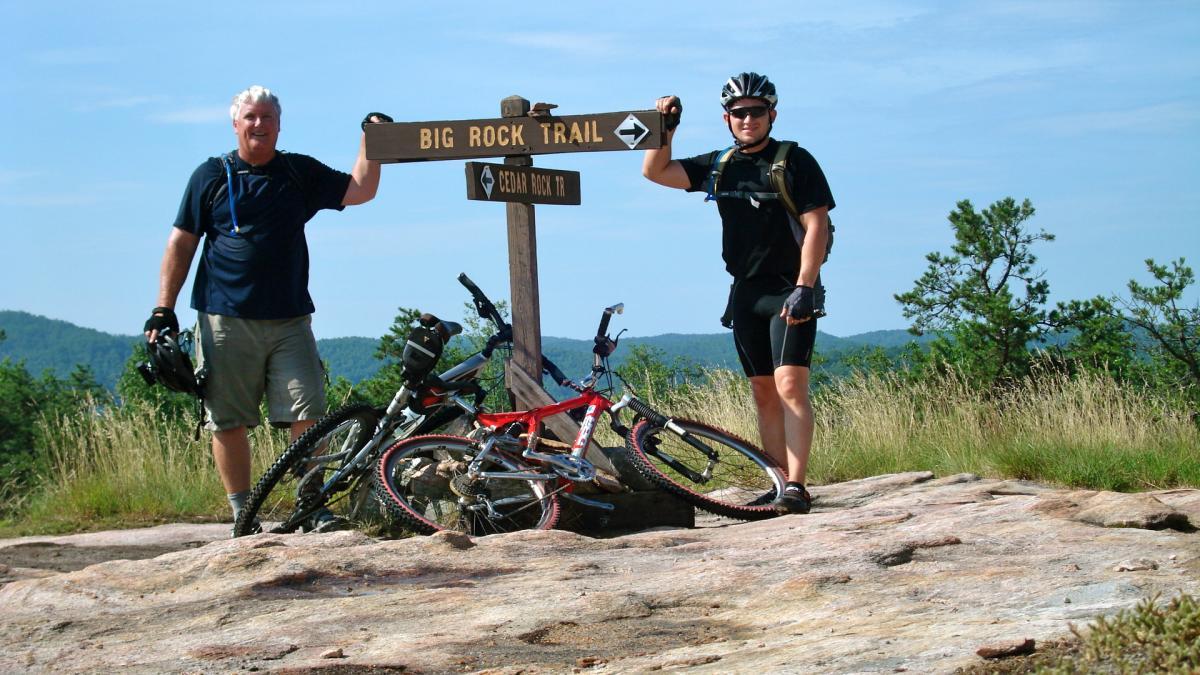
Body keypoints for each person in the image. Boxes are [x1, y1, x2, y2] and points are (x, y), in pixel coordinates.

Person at [143, 85, 391, 533]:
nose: (259, 125)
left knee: (307, 412)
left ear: (279, 125)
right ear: (236, 124)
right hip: (224, 317)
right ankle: (243, 513)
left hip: (290, 318)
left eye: (267, 118)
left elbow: (360, 190)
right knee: (229, 418)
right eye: (251, 117)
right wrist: (164, 309)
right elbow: (181, 241)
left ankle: (310, 505)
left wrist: (370, 140)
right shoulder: (211, 175)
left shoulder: (297, 172)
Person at [642, 72, 835, 514]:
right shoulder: (721, 163)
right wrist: (663, 127)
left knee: (790, 385)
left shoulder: (794, 161)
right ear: (727, 118)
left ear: (772, 114)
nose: (747, 119)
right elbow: (656, 171)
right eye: (738, 113)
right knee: (764, 391)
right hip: (746, 292)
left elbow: (816, 224)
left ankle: (798, 486)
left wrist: (806, 286)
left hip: (791, 289)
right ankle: (778, 480)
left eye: (756, 111)